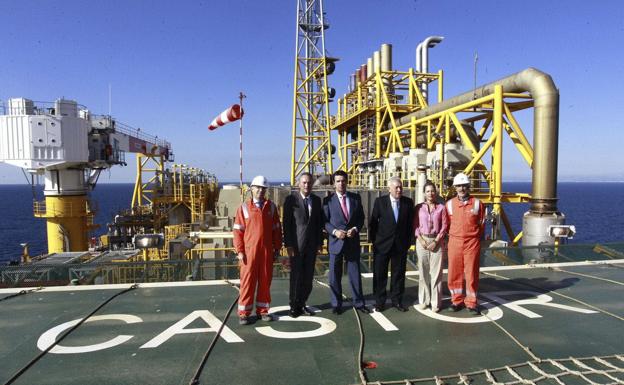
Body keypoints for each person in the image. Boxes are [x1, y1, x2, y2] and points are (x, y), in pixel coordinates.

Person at [233, 175, 283, 325]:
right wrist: (240, 251)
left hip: (267, 251)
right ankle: (244, 313)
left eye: (263, 188)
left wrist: (277, 248)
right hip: (249, 252)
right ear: (252, 189)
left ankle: (263, 311)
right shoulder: (243, 208)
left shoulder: (271, 207)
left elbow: (277, 229)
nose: (260, 191)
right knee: (247, 282)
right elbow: (237, 231)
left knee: (265, 281)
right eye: (258, 188)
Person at [322, 170, 370, 314]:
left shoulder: (356, 198)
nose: (341, 183)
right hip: (336, 242)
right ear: (333, 183)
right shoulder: (327, 201)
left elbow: (361, 218)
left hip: (352, 241)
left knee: (355, 274)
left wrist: (355, 228)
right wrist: (335, 232)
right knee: (334, 276)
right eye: (338, 181)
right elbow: (324, 222)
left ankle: (359, 303)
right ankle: (336, 304)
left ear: (347, 181)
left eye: (343, 181)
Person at [368, 176, 414, 312]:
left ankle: (397, 300)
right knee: (380, 274)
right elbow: (373, 223)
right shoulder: (380, 202)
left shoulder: (408, 203)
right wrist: (375, 242)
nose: (399, 190)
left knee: (398, 274)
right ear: (389, 189)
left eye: (401, 187)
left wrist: (408, 243)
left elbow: (410, 224)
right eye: (396, 187)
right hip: (382, 245)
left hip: (400, 245)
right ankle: (380, 301)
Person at [282, 172, 323, 318]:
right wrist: (289, 245)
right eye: (304, 182)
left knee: (308, 277)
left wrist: (319, 243)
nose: (307, 185)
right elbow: (287, 224)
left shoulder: (317, 201)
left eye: (309, 183)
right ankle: (294, 306)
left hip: (311, 246)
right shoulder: (291, 200)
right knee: (296, 277)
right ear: (299, 184)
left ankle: (302, 303)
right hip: (296, 246)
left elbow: (319, 224)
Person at [446, 173, 485, 315]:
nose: (461, 188)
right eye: (458, 186)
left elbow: (481, 223)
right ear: (455, 187)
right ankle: (456, 300)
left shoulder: (477, 204)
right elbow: (447, 224)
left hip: (472, 243)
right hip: (455, 241)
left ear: (468, 187)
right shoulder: (449, 205)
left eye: (464, 186)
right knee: (454, 273)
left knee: (471, 273)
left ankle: (471, 302)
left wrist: (475, 239)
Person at [413, 181, 448, 313]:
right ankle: (424, 300)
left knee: (436, 274)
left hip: (437, 241)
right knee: (423, 273)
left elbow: (444, 227)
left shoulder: (441, 208)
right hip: (422, 240)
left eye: (432, 191)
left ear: (436, 192)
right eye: (427, 191)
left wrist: (436, 241)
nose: (430, 193)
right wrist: (421, 239)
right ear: (424, 193)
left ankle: (435, 302)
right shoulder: (418, 208)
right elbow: (415, 225)